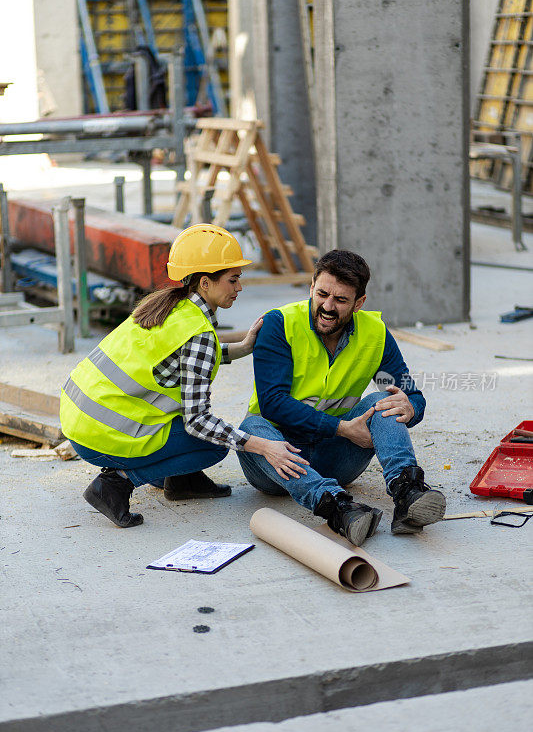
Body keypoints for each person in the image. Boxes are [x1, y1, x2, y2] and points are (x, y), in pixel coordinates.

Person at [59, 224, 309, 528]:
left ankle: (182, 483)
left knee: (191, 429)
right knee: (213, 443)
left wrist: (243, 347)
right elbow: (198, 422)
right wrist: (261, 444)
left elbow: (185, 362)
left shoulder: (170, 306)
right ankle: (116, 483)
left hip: (82, 422)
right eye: (233, 279)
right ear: (205, 282)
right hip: (102, 437)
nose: (239, 288)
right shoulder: (198, 332)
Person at [237, 249, 446, 546]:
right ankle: (337, 507)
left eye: (341, 300)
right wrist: (341, 428)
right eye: (322, 294)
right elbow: (272, 401)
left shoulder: (375, 334)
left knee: (384, 401)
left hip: (336, 458)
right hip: (274, 462)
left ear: (359, 303)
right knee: (250, 427)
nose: (327, 306)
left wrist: (410, 407)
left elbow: (411, 393)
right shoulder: (279, 324)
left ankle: (407, 493)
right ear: (311, 286)